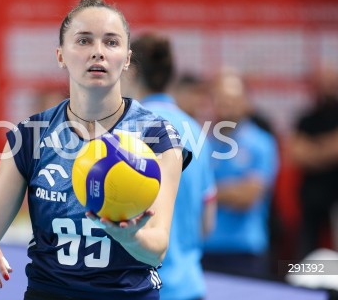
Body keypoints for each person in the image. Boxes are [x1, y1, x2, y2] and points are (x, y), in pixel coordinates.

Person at [0, 0, 190, 300]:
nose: (98, 52)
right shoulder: (31, 136)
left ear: (128, 58)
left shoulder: (157, 135)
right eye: (83, 41)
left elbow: (156, 249)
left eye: (111, 42)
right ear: (61, 55)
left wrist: (129, 237)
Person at [124, 33, 216, 300]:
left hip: (141, 288)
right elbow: (207, 222)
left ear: (131, 71)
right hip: (190, 287)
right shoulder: (197, 131)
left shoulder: (125, 132)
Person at [202, 68, 279, 278]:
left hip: (245, 252)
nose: (226, 105)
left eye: (232, 99)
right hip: (204, 250)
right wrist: (230, 190)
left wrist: (207, 191)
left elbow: (248, 196)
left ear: (246, 102)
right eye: (220, 99)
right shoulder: (198, 142)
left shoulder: (261, 143)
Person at [289, 64, 338, 258]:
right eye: (321, 83)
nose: (326, 87)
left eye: (330, 82)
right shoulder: (306, 118)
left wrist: (313, 149)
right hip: (311, 197)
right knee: (307, 253)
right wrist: (327, 149)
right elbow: (296, 154)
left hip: (335, 195)